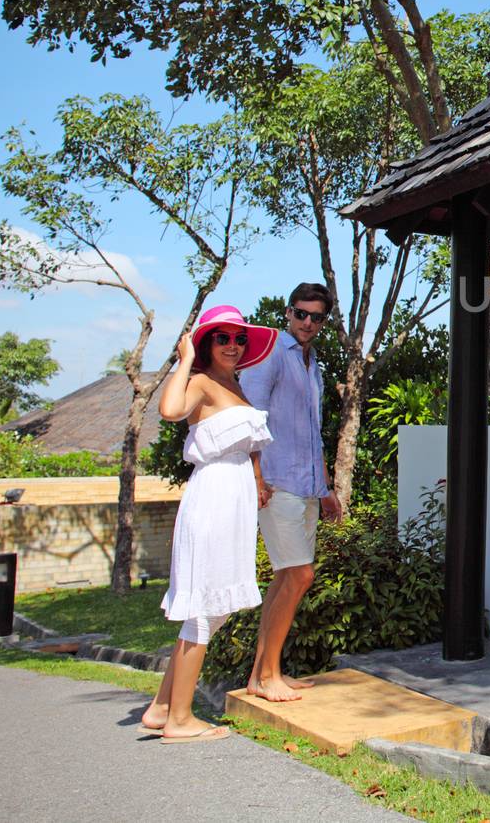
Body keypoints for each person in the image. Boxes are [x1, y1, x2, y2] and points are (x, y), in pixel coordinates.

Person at [139, 304, 278, 743]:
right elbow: (169, 409)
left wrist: (257, 481)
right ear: (205, 344)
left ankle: (163, 707)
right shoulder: (199, 380)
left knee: (214, 609)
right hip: (213, 495)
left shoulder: (233, 385)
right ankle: (180, 719)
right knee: (202, 605)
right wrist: (183, 362)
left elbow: (249, 445)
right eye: (222, 338)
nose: (233, 345)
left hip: (234, 497)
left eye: (239, 338)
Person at [240, 282, 344, 703]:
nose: (307, 323)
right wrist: (256, 478)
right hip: (277, 484)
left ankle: (263, 674)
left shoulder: (312, 362)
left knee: (286, 577)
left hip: (306, 487)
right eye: (301, 313)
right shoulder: (270, 357)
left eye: (316, 317)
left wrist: (326, 489)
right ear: (288, 313)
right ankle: (267, 677)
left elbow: (312, 434)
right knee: (301, 575)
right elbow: (249, 420)